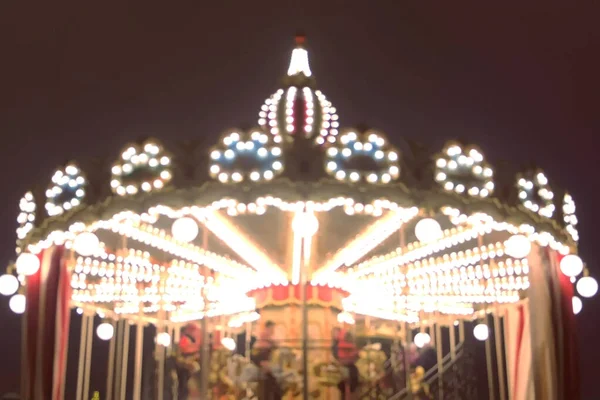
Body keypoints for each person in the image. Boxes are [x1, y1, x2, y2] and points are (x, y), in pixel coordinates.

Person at [250, 320, 282, 400]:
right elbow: (258, 354)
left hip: (267, 367)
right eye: (272, 328)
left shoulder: (268, 339)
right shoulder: (264, 338)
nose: (273, 330)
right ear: (269, 327)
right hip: (264, 367)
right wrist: (262, 363)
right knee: (268, 387)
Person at [336, 329, 359, 399]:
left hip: (345, 366)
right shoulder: (349, 345)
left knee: (344, 389)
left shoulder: (341, 344)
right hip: (347, 366)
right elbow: (353, 356)